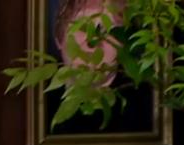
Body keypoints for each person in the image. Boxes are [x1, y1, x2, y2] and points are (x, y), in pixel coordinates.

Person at [46, 0, 153, 135]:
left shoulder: (148, 111)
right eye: (83, 28)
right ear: (58, 38)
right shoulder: (37, 107)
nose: (93, 41)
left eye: (107, 31)